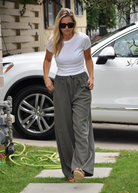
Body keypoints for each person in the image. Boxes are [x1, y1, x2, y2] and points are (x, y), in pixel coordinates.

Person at [43, 8, 95, 182]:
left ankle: (80, 167)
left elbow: (88, 59)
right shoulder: (53, 41)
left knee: (81, 126)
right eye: (63, 25)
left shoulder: (83, 39)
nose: (67, 28)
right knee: (64, 129)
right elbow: (48, 60)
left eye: (70, 24)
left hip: (80, 83)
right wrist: (46, 78)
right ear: (59, 24)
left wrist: (91, 76)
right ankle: (69, 170)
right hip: (61, 84)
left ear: (74, 24)